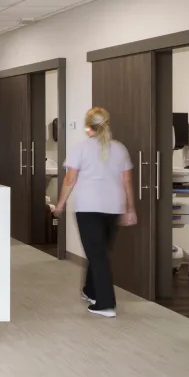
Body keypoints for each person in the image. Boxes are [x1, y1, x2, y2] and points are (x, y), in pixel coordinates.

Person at [54, 108, 137, 318]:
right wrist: (130, 209)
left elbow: (69, 180)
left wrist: (60, 204)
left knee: (97, 254)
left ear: (87, 126)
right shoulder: (119, 148)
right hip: (113, 207)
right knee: (98, 252)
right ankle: (90, 291)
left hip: (89, 208)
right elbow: (126, 181)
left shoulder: (80, 148)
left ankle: (106, 304)